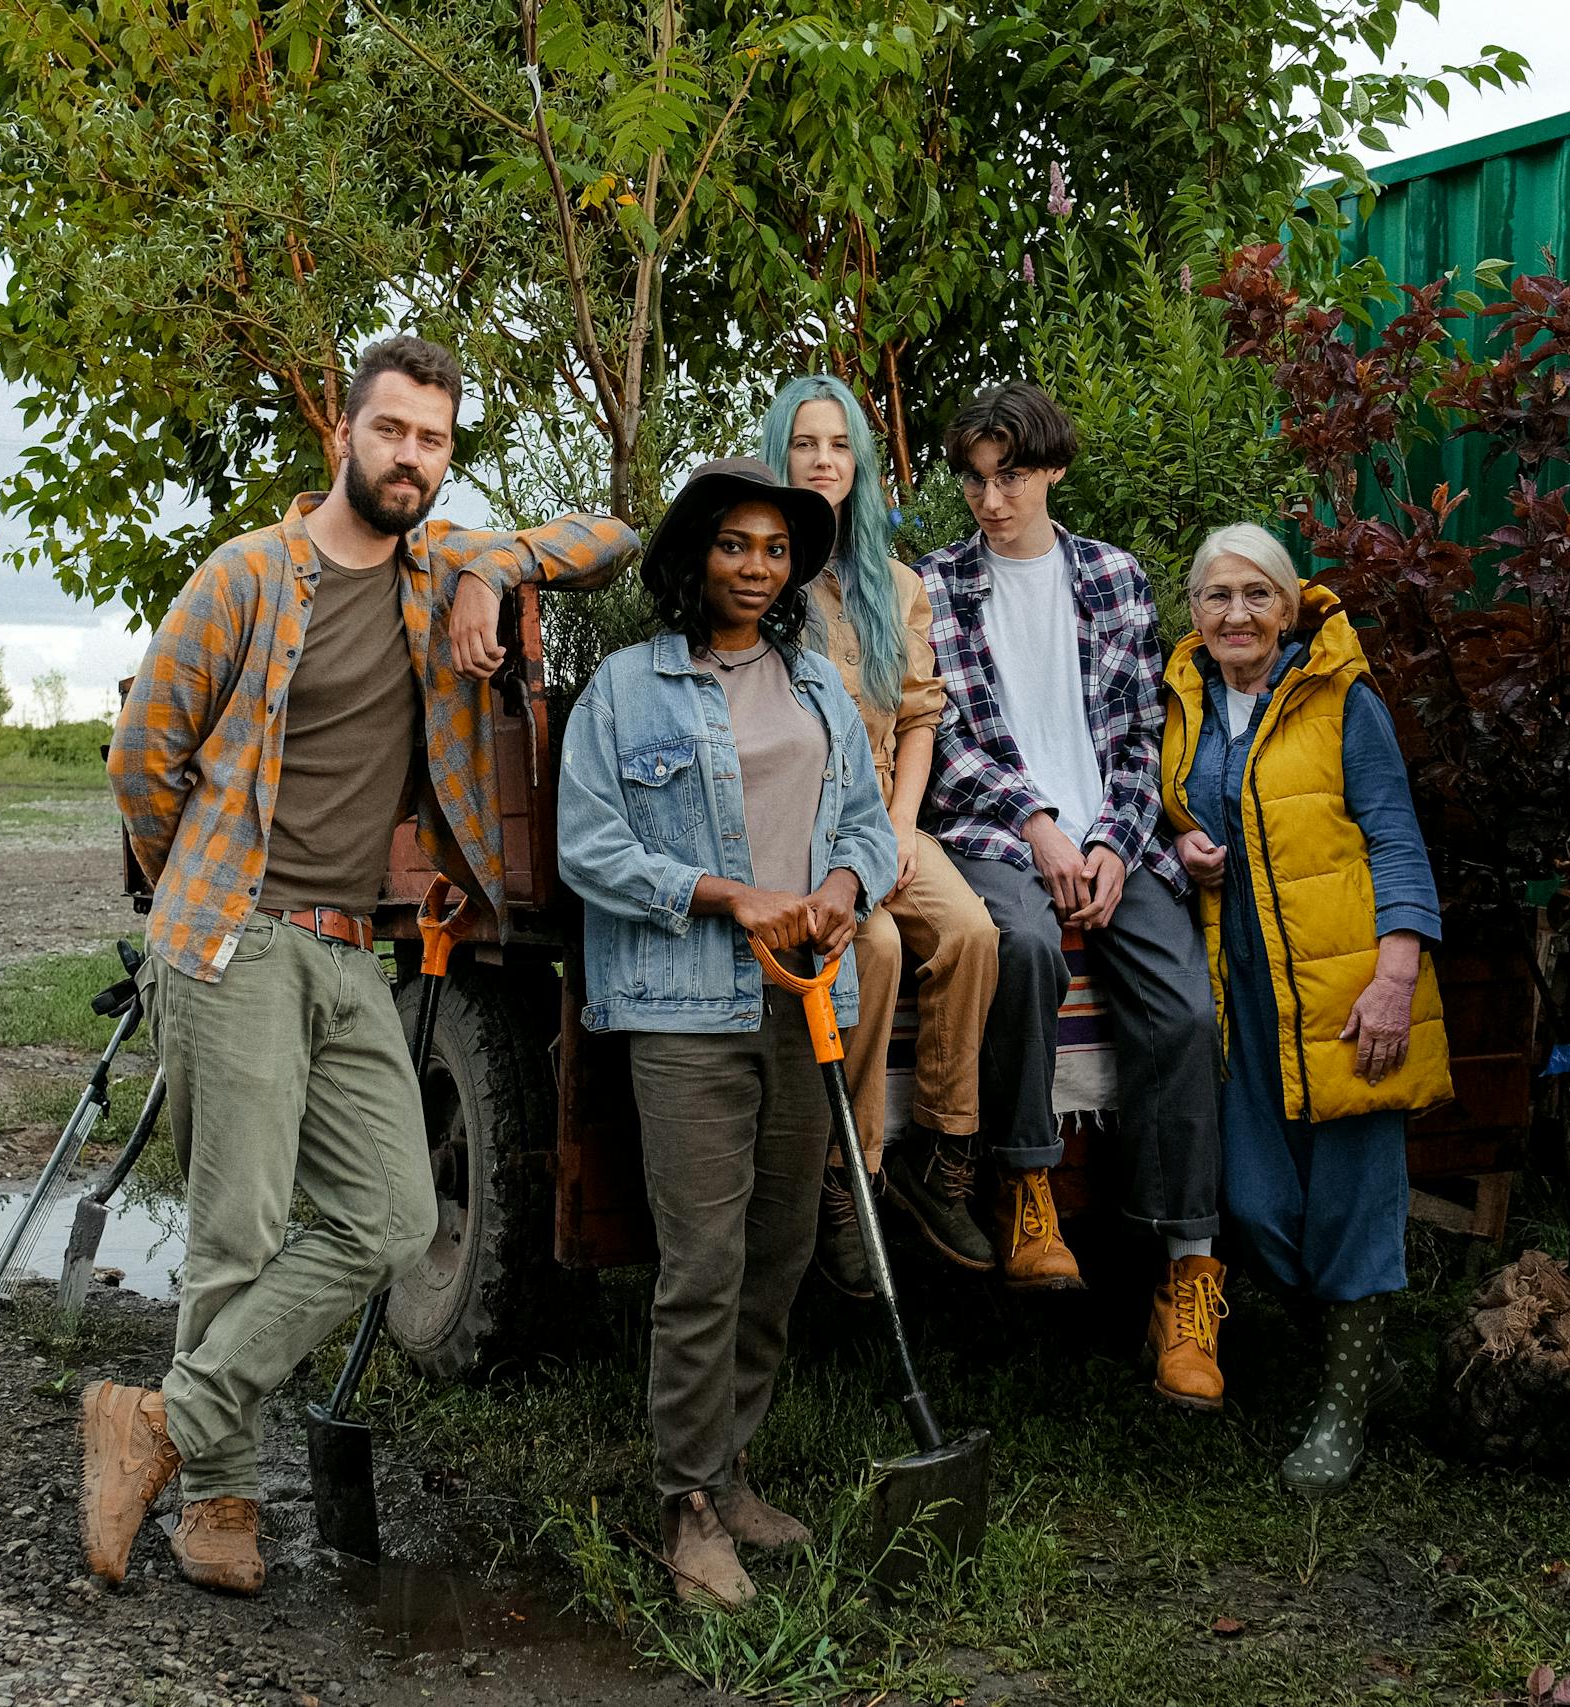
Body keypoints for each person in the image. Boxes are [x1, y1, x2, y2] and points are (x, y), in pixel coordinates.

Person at [88, 334, 639, 1593]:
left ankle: (160, 1421)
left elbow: (607, 535)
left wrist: (495, 568)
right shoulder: (245, 578)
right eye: (391, 430)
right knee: (236, 1230)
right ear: (343, 433)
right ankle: (219, 1505)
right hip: (238, 936)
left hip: (350, 949)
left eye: (434, 440)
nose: (411, 456)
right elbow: (142, 757)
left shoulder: (439, 570)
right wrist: (210, 892)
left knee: (391, 1213)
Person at [558, 457, 897, 1608]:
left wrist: (848, 885)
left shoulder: (815, 689)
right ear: (692, 557)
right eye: (734, 545)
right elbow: (589, 848)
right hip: (684, 1007)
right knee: (701, 1261)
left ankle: (731, 1469)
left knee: (779, 1249)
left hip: (804, 997)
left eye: (775, 549)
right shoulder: (625, 688)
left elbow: (865, 823)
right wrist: (726, 892)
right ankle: (686, 1505)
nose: (756, 567)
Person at [917, 381, 1227, 1410]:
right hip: (994, 833)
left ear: (1051, 468)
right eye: (972, 477)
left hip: (1114, 838)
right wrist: (1041, 828)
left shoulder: (1114, 578)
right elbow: (947, 745)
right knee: (1026, 946)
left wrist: (1103, 842)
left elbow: (1142, 737)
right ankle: (1027, 1186)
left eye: (1009, 475)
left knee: (1183, 1012)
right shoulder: (939, 587)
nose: (989, 498)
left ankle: (1183, 1272)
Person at [1160, 523, 1452, 1496]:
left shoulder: (1342, 700)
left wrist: (1395, 979)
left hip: (1345, 987)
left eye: (1254, 595)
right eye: (1214, 597)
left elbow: (1396, 839)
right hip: (1237, 990)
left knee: (1353, 1202)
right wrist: (1181, 853)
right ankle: (1350, 1357)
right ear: (1193, 615)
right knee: (1251, 1201)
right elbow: (1166, 820)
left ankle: (1341, 1414)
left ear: (1288, 608)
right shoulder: (1186, 704)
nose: (1234, 614)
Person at [759, 376, 1001, 1294]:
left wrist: (903, 824)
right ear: (781, 454)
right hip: (797, 825)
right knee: (880, 945)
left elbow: (916, 716)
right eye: (806, 444)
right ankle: (844, 1175)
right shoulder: (766, 569)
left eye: (840, 445)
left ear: (859, 461)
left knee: (974, 932)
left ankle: (943, 1158)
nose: (824, 460)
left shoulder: (896, 586)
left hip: (880, 813)